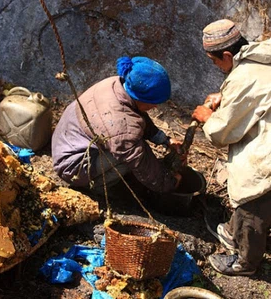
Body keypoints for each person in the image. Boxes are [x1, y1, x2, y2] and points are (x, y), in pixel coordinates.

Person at [192, 19, 271, 276]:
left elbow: (221, 132)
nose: (216, 67)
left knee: (253, 201)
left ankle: (245, 262)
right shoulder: (262, 57)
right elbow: (254, 96)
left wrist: (206, 116)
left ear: (227, 54)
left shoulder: (243, 78)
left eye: (215, 61)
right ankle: (232, 231)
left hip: (265, 155)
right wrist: (226, 96)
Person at [52, 56, 183, 198]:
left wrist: (164, 140)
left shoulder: (118, 84)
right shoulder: (122, 127)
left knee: (131, 145)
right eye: (153, 103)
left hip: (68, 141)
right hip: (72, 166)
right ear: (140, 97)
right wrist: (169, 182)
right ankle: (98, 187)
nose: (156, 106)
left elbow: (136, 115)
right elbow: (138, 160)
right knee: (130, 159)